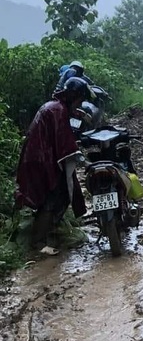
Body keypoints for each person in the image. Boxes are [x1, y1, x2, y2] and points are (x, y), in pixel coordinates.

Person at [15, 77, 94, 253]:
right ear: (73, 96)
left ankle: (49, 231)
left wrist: (76, 114)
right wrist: (82, 159)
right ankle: (40, 243)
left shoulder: (55, 106)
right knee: (51, 198)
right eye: (80, 99)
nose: (80, 103)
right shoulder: (58, 111)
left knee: (62, 194)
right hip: (42, 159)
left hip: (37, 157)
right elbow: (64, 142)